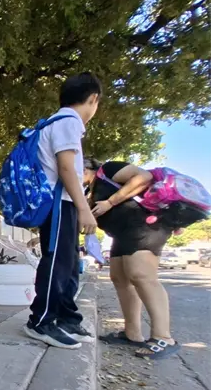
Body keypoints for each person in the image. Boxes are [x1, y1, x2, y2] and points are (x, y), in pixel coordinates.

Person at [24, 72, 100, 349]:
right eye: (97, 104)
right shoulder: (68, 122)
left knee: (68, 264)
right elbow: (66, 168)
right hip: (61, 203)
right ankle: (40, 321)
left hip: (63, 204)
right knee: (57, 261)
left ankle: (67, 318)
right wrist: (84, 208)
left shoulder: (61, 123)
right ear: (93, 99)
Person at [83, 158, 180, 358]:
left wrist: (110, 202)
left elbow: (144, 177)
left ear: (86, 167)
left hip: (145, 226)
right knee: (120, 278)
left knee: (142, 276)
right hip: (122, 234)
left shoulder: (108, 170)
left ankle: (164, 337)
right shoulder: (90, 191)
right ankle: (132, 333)